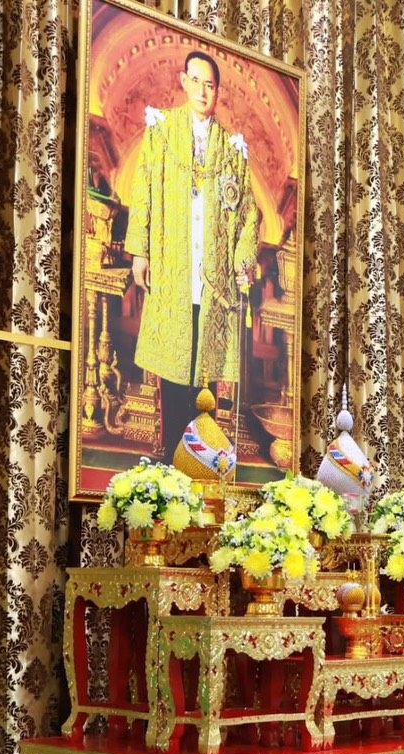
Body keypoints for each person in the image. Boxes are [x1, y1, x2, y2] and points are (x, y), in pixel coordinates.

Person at [125, 50, 260, 464]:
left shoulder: (232, 149)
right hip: (174, 268)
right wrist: (140, 252)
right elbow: (143, 191)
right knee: (175, 368)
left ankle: (202, 461)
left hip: (214, 279)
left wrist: (243, 261)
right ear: (183, 82)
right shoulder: (162, 132)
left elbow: (248, 214)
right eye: (196, 81)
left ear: (218, 91)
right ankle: (170, 459)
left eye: (210, 85)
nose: (203, 91)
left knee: (206, 373)